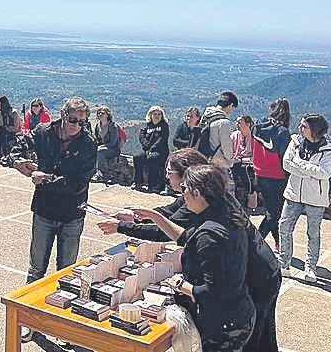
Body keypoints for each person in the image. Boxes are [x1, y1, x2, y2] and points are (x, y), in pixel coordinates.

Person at [98, 149, 281, 352]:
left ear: (193, 185)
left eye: (171, 173)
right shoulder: (215, 202)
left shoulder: (210, 230)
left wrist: (181, 284)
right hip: (245, 290)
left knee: (257, 342)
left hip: (257, 281)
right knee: (258, 337)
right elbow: (172, 218)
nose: (167, 178)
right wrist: (138, 215)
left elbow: (169, 233)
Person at [131, 165, 256, 352]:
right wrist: (154, 216)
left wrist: (179, 284)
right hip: (239, 313)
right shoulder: (224, 214)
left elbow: (210, 291)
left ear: (196, 193)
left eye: (184, 189)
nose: (182, 195)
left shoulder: (210, 235)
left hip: (223, 325)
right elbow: (185, 237)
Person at [8, 96, 97, 343]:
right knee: (35, 270)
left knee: (67, 274)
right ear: (62, 115)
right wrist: (18, 161)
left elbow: (79, 184)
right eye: (73, 120)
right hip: (45, 211)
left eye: (82, 121)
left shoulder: (88, 143)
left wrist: (45, 178)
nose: (77, 125)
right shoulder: (44, 132)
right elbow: (19, 143)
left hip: (71, 214)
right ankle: (28, 321)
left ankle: (62, 326)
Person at [279, 113, 331, 281]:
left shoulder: (328, 149)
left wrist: (299, 163)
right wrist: (309, 171)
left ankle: (310, 268)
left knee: (313, 233)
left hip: (316, 198)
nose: (300, 128)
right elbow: (286, 164)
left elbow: (325, 173)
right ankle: (284, 263)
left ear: (314, 130)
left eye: (304, 126)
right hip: (293, 193)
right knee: (284, 228)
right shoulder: (295, 141)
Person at [252, 98, 292, 246]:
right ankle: (254, 244)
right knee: (273, 214)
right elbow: (285, 158)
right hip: (276, 178)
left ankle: (278, 243)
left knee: (272, 211)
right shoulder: (282, 132)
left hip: (259, 174)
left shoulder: (257, 126)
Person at [132, 106, 170, 193]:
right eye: (155, 114)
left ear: (162, 116)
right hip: (147, 150)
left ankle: (152, 185)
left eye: (159, 114)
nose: (157, 116)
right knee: (137, 157)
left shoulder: (164, 126)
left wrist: (152, 148)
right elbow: (141, 137)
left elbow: (162, 139)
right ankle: (138, 182)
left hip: (160, 151)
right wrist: (147, 147)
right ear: (150, 115)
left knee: (152, 159)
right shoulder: (146, 126)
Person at [200, 91, 239, 167]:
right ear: (230, 105)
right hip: (219, 163)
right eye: (232, 108)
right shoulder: (224, 123)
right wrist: (232, 159)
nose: (231, 111)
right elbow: (226, 146)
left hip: (205, 159)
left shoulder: (206, 116)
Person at [231, 115, 255, 208]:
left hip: (248, 164)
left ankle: (250, 195)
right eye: (236, 122)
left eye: (240, 122)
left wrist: (241, 160)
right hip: (235, 162)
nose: (237, 124)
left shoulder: (254, 137)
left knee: (243, 169)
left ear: (248, 124)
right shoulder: (234, 135)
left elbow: (255, 156)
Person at [94, 106, 122, 184]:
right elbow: (96, 139)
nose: (100, 115)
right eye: (98, 113)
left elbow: (113, 143)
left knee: (99, 151)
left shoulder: (112, 126)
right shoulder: (97, 126)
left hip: (113, 150)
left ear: (107, 115)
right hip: (102, 149)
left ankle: (104, 174)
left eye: (102, 113)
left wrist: (100, 147)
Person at [0, 95, 20, 161]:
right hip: (4, 130)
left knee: (3, 134)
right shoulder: (0, 113)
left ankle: (5, 155)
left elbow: (16, 127)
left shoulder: (13, 112)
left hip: (12, 131)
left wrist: (7, 128)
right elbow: (0, 124)